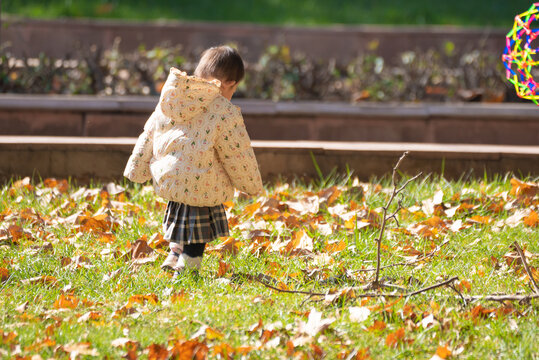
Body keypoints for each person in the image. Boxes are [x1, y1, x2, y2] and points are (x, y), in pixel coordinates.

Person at [123, 45, 263, 277]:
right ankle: (188, 267)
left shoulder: (172, 99)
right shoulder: (223, 111)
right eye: (235, 88)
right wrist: (251, 184)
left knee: (180, 218)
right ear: (229, 83)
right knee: (199, 229)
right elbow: (237, 153)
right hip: (203, 182)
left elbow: (149, 134)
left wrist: (136, 168)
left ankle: (174, 253)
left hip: (171, 178)